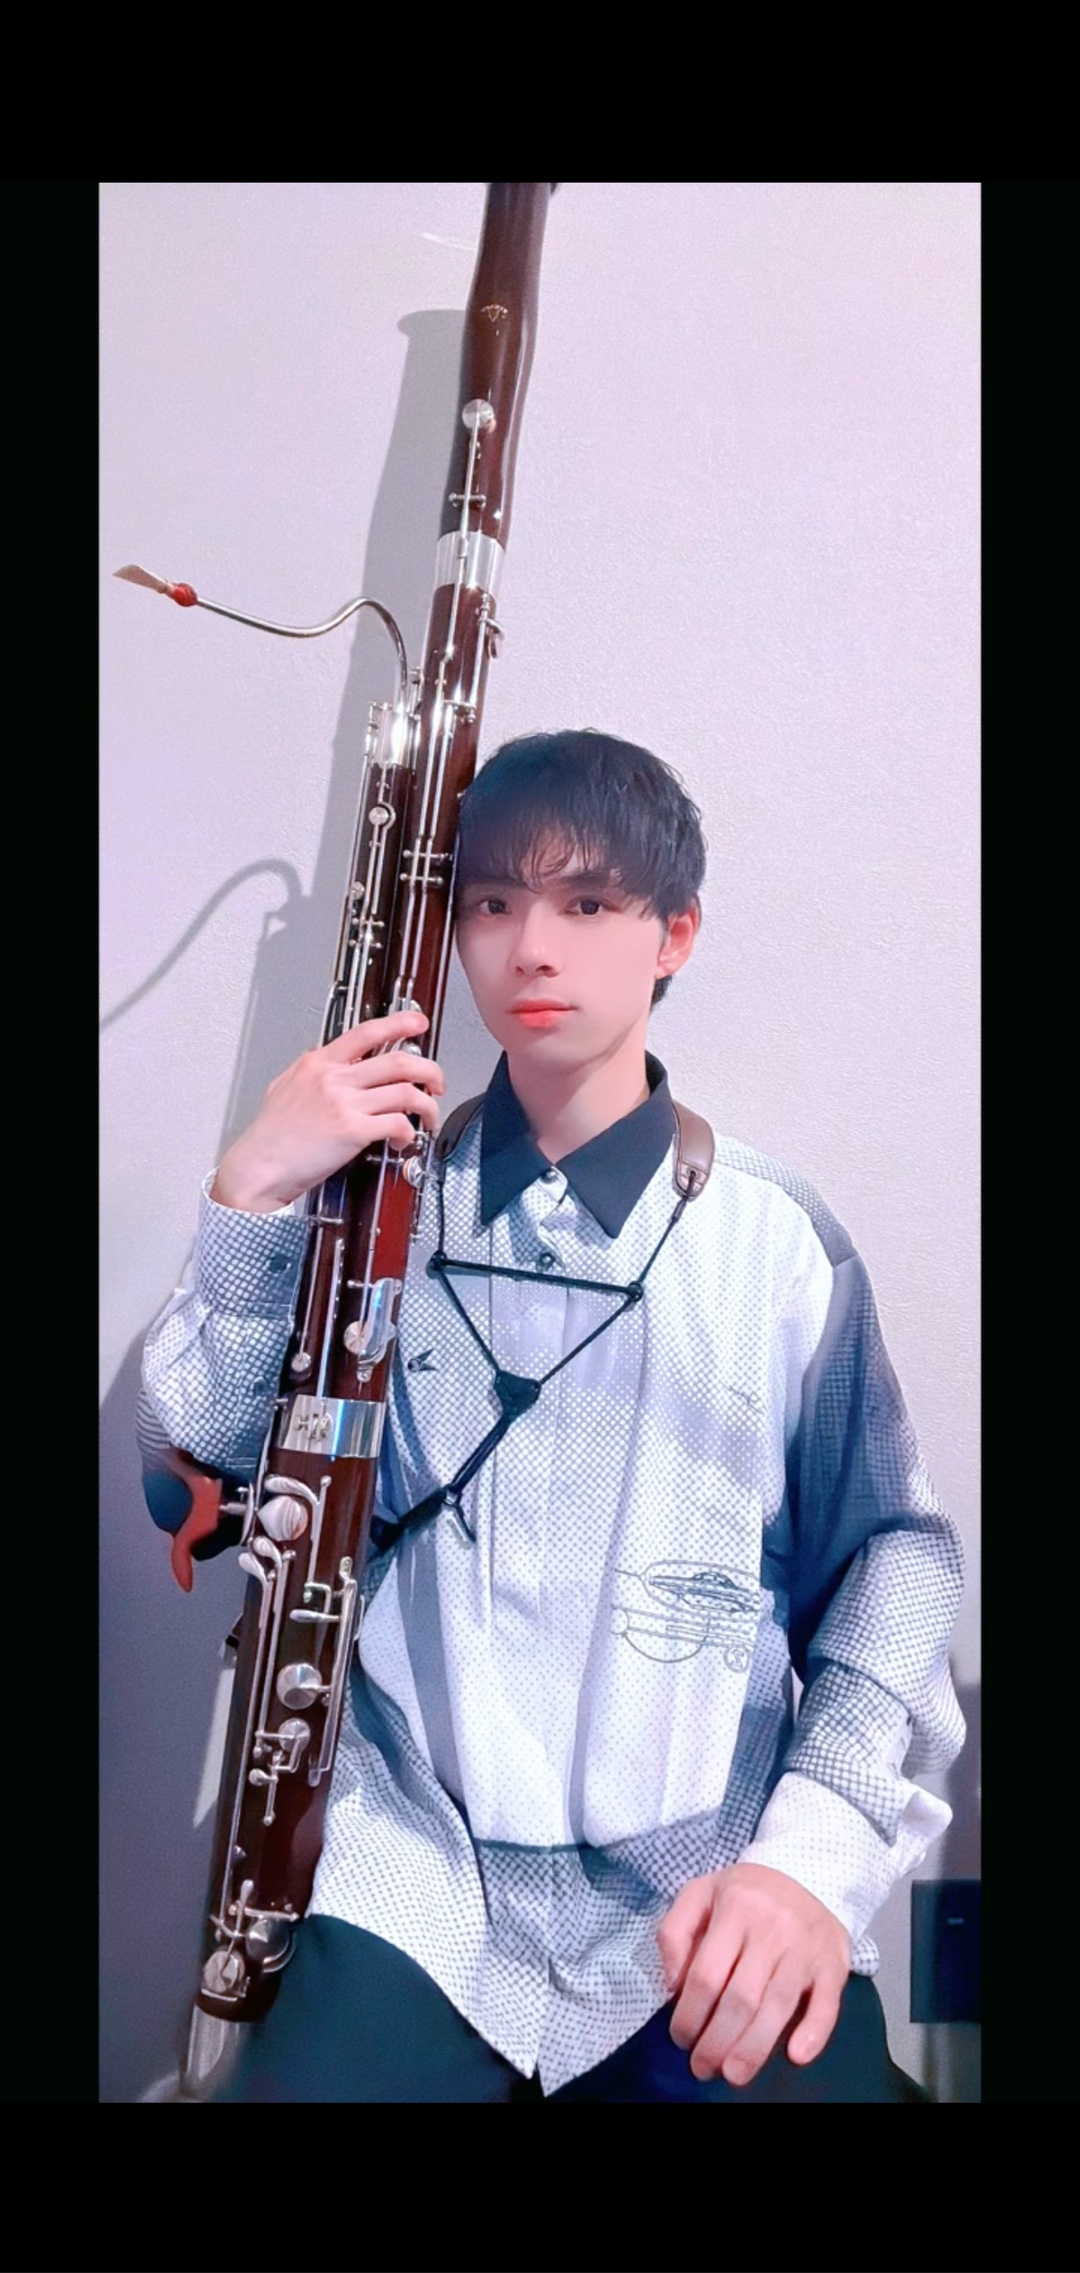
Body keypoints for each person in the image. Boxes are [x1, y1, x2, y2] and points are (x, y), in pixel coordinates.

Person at [139, 729, 964, 2103]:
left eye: (587, 903)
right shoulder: (375, 1202)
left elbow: (897, 1560)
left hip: (706, 1866)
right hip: (419, 1871)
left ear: (674, 933)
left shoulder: (775, 1240)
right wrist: (255, 1186)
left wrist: (812, 1855)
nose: (532, 948)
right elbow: (197, 1481)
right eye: (493, 902)